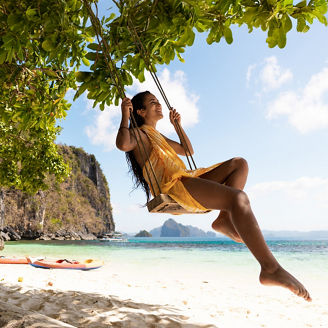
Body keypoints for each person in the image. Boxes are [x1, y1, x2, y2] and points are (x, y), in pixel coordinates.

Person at [116, 91, 311, 301]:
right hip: (174, 186)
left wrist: (177, 126)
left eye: (158, 101)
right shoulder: (138, 134)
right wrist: (125, 116)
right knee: (239, 198)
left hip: (187, 177)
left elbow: (187, 150)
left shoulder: (158, 136)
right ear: (141, 111)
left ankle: (225, 219)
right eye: (153, 102)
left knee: (239, 164)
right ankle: (270, 268)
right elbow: (123, 145)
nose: (159, 104)